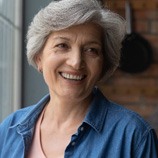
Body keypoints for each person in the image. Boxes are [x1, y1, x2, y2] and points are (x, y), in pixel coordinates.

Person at [0, 0, 158, 157]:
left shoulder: (134, 136)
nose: (76, 62)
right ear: (39, 57)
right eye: (62, 45)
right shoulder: (9, 129)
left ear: (103, 64)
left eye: (91, 50)